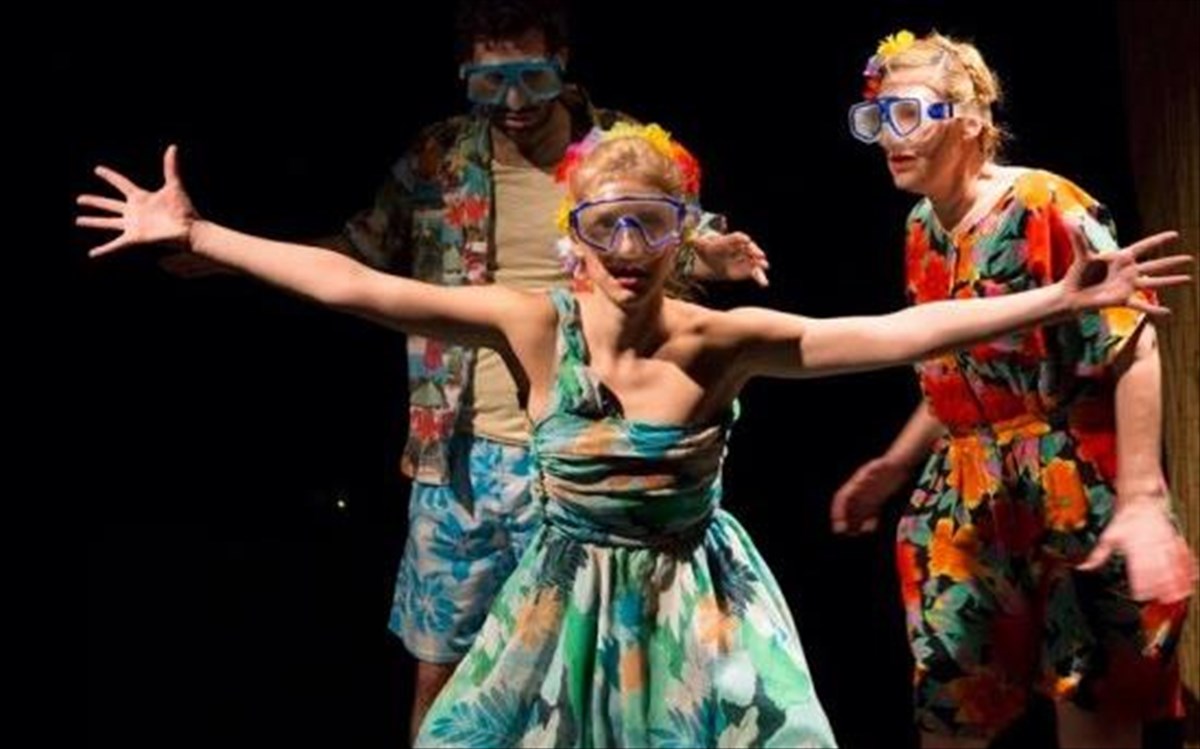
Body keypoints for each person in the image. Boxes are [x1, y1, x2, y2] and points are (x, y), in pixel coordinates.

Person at [76, 121, 1190, 746]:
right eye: (602, 225)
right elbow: (357, 287)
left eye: (647, 225)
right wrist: (203, 234)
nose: (622, 249)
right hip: (564, 594)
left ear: (677, 236)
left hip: (694, 597)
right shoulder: (532, 323)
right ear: (573, 237)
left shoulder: (719, 339)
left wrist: (1053, 298)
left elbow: (887, 333)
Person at [830, 30, 1198, 748]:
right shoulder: (920, 227)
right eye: (878, 118)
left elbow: (1131, 339)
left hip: (1069, 480)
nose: (889, 137)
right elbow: (961, 370)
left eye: (908, 115)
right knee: (950, 697)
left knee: (1093, 698)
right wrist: (897, 462)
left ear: (970, 119)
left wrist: (1141, 496)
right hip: (965, 492)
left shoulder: (1044, 203)